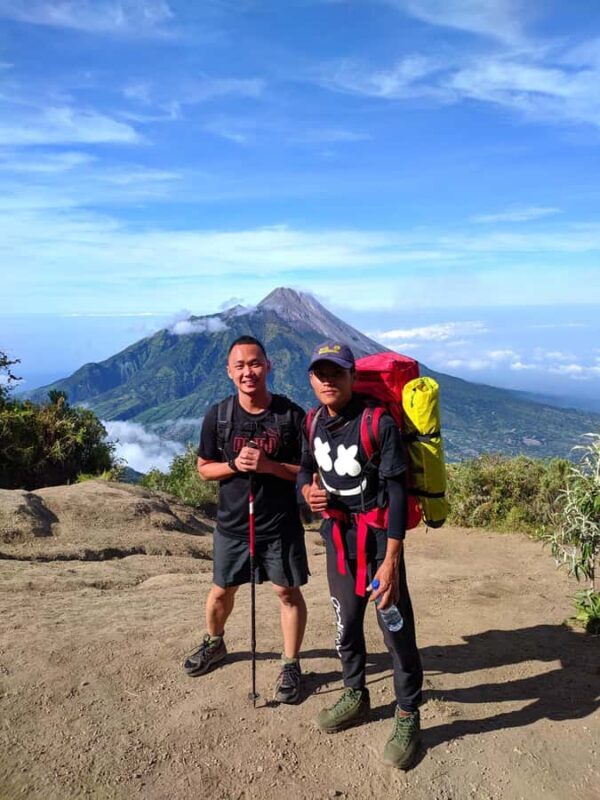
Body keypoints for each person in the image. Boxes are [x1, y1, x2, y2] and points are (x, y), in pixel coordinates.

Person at [299, 341, 423, 769]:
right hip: (337, 538)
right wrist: (306, 490)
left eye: (336, 372)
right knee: (345, 621)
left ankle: (408, 713)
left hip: (376, 543)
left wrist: (390, 562)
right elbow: (303, 468)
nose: (328, 380)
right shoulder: (312, 421)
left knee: (394, 627)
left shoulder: (378, 423)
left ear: (352, 376)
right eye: (320, 373)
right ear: (311, 380)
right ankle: (356, 692)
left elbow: (396, 492)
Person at [184, 335, 308, 704]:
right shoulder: (219, 416)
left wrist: (269, 466)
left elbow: (307, 471)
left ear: (268, 366)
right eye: (239, 366)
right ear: (228, 372)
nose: (248, 372)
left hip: (279, 523)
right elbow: (204, 469)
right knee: (222, 588)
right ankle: (214, 642)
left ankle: (291, 663)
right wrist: (236, 465)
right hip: (233, 524)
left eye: (254, 363)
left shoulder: (290, 416)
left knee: (286, 591)